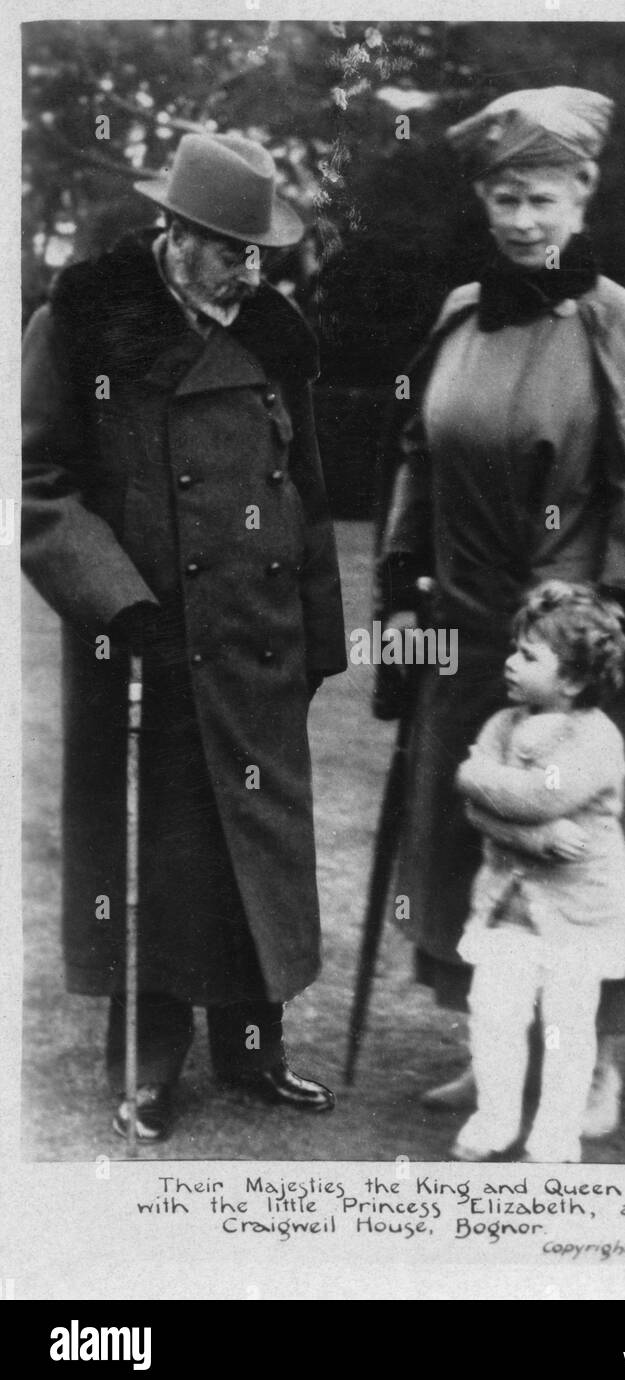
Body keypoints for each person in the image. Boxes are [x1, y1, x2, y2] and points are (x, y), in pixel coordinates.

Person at [373, 87, 625, 1134]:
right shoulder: (458, 314)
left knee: (581, 837)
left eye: (540, 197)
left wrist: (590, 624)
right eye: (502, 197)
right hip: (468, 617)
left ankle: (590, 1065)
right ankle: (490, 1042)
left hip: (577, 636)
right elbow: (415, 461)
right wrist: (405, 590)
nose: (521, 219)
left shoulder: (621, 324)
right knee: (468, 826)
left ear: (583, 194)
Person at [22, 132, 346, 1143]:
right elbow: (35, 485)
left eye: (257, 252)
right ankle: (147, 1065)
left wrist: (320, 636)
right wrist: (121, 603)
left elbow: (309, 491)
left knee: (255, 842)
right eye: (225, 249)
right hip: (144, 640)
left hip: (258, 638)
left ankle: (254, 1052)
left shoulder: (276, 336)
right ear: (174, 232)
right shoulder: (84, 325)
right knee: (155, 852)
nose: (247, 269)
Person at [452, 581, 625, 1163]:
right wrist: (530, 834)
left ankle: (556, 1133)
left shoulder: (596, 739)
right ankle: (495, 1118)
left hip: (578, 915)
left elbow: (535, 796)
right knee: (495, 1013)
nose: (510, 662)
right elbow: (475, 803)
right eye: (514, 649)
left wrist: (478, 782)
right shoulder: (503, 724)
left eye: (528, 655)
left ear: (574, 679)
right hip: (507, 909)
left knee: (566, 1025)